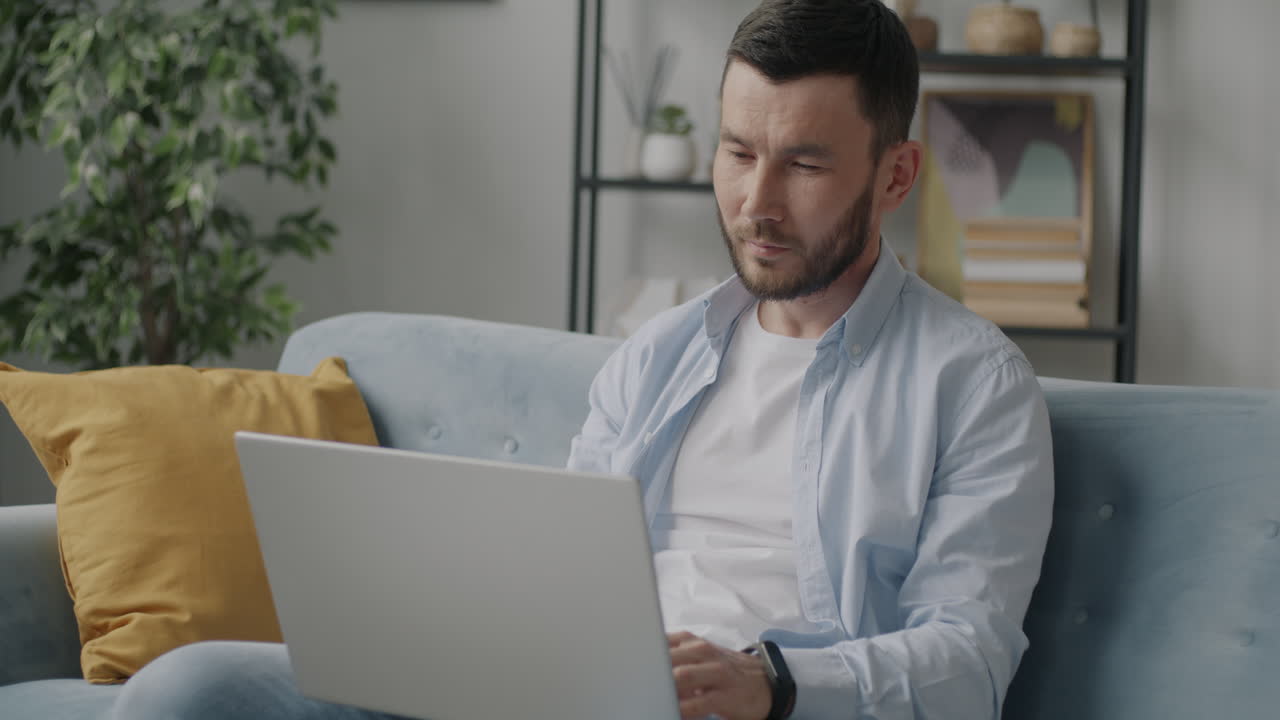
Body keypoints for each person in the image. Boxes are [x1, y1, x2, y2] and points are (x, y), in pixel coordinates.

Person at [112, 1, 1051, 719]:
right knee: (190, 687)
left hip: (757, 705)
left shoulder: (972, 384)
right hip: (569, 686)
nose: (755, 201)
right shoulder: (658, 355)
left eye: (804, 166)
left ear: (895, 174)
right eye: (735, 152)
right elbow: (560, 568)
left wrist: (772, 683)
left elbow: (969, 659)